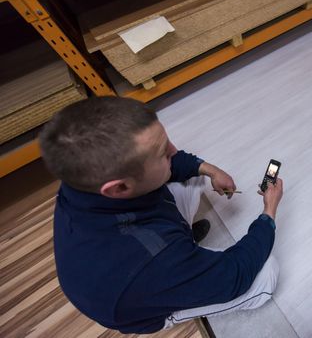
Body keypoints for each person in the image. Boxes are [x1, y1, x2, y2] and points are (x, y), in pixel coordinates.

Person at [39, 96, 283, 334]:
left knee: (194, 173)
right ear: (120, 187)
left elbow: (178, 164)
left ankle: (185, 249)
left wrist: (210, 169)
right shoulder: (153, 259)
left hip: (148, 252)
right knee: (265, 274)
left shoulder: (82, 179)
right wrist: (268, 214)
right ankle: (180, 292)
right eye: (162, 153)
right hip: (143, 300)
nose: (174, 150)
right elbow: (234, 275)